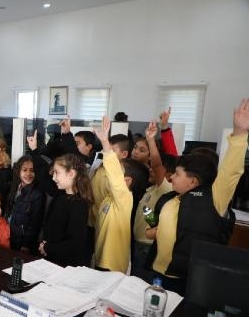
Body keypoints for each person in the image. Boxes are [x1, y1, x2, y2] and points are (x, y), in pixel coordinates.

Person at [147, 99, 249, 295]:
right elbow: (153, 223)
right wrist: (154, 230)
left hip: (188, 278)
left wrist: (240, 133)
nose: (171, 177)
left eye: (177, 174)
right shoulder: (169, 198)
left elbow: (231, 172)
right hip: (158, 272)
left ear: (193, 181)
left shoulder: (213, 199)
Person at [131, 117, 178, 282]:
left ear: (169, 175)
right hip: (140, 242)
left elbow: (157, 165)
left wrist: (151, 139)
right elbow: (149, 215)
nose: (151, 169)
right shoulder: (152, 189)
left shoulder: (165, 187)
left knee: (140, 282)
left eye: (155, 168)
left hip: (146, 245)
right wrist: (150, 218)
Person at [93, 116, 141, 273]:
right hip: (102, 258)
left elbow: (114, 176)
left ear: (126, 181)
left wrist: (105, 143)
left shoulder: (124, 198)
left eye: (119, 173)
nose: (113, 176)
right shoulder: (110, 198)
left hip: (112, 263)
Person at [4, 155, 45, 252]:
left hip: (22, 242)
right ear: (18, 171)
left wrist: (26, 245)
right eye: (25, 170)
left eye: (32, 170)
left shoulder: (38, 195)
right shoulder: (14, 187)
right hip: (9, 235)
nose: (28, 174)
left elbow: (35, 224)